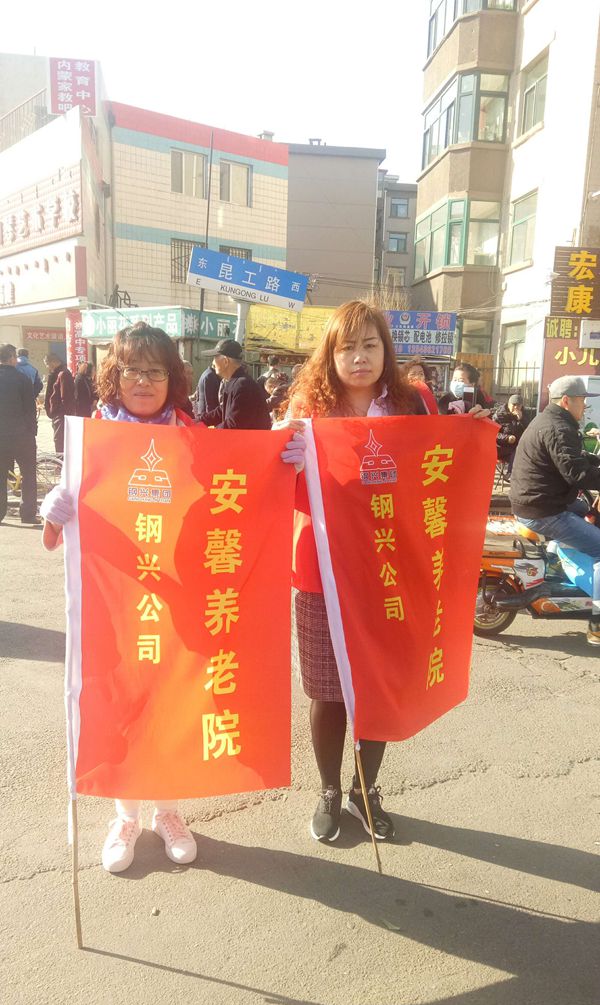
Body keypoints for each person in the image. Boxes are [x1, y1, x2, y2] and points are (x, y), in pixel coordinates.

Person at [40, 321, 304, 873]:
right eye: (132, 369)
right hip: (119, 602)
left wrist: (283, 459)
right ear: (114, 375)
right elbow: (68, 530)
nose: (143, 381)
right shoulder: (93, 439)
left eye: (155, 371)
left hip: (182, 595)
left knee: (172, 697)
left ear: (173, 379)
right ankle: (125, 816)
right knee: (124, 697)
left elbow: (236, 494)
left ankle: (168, 811)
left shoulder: (194, 435)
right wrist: (56, 511)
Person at [284, 300, 489, 845]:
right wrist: (284, 455)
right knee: (328, 688)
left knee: (379, 683)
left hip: (390, 566)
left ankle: (365, 790)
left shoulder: (411, 401)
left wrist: (467, 437)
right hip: (323, 570)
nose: (359, 357)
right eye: (347, 347)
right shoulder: (307, 408)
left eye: (370, 345)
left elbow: (433, 471)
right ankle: (329, 790)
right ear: (330, 355)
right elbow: (284, 491)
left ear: (386, 350)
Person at [510, 375, 600, 647]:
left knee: (588, 513)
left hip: (541, 500)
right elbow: (577, 473)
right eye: (582, 401)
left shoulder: (552, 420)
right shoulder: (558, 427)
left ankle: (559, 557)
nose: (585, 406)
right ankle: (597, 625)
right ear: (567, 401)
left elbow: (575, 458)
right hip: (543, 510)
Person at [0, 343, 39, 526]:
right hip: (22, 436)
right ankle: (28, 514)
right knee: (28, 475)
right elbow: (30, 409)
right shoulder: (22, 379)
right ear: (11, 358)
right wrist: (32, 432)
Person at [199, 339, 271, 430]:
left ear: (225, 361)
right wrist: (198, 421)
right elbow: (221, 411)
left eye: (215, 358)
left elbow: (233, 425)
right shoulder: (236, 382)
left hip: (250, 439)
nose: (213, 362)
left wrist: (210, 433)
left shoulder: (243, 386)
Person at [44, 354, 75, 453]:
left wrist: (58, 411)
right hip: (58, 413)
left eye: (47, 364)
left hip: (61, 414)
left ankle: (61, 461)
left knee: (60, 441)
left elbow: (65, 397)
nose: (47, 367)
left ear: (53, 362)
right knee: (60, 440)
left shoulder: (63, 374)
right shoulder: (58, 373)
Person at [493, 393, 527, 473]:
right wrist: (507, 438)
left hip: (517, 447)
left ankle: (513, 474)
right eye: (514, 405)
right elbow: (493, 434)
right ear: (508, 404)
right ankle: (511, 474)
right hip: (501, 447)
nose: (516, 407)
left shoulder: (524, 414)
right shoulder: (499, 415)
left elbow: (529, 430)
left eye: (519, 405)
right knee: (517, 454)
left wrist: (522, 419)